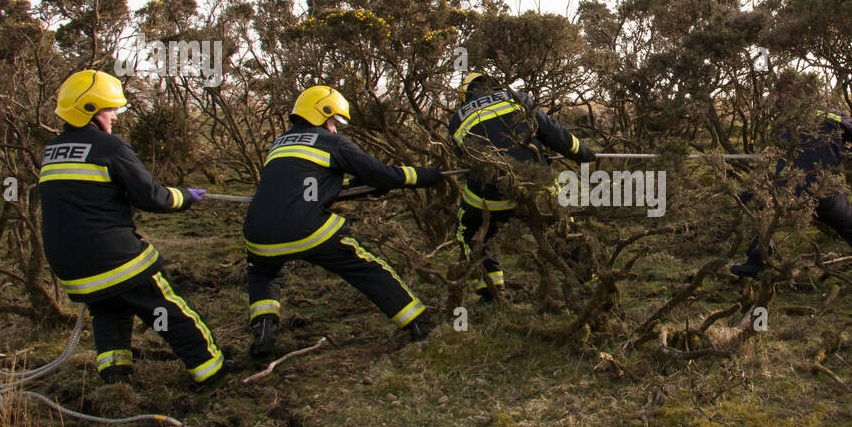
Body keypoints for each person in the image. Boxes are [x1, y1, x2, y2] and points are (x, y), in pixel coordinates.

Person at [39, 69, 230, 385]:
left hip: (71, 270)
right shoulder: (110, 148)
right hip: (114, 258)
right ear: (90, 110)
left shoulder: (51, 153)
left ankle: (116, 380)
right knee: (166, 307)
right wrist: (185, 196)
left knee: (109, 310)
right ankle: (210, 370)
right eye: (110, 109)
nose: (114, 116)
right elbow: (151, 197)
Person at [243, 85, 445, 356]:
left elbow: (306, 185)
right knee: (364, 267)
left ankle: (264, 331)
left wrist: (354, 183)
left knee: (262, 273)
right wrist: (424, 176)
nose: (336, 129)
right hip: (306, 229)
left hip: (257, 234)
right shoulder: (331, 142)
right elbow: (383, 174)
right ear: (321, 114)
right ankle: (418, 322)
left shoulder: (278, 144)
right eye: (335, 121)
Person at [449, 72, 595, 302]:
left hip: (489, 196)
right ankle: (593, 281)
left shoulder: (457, 117)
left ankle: (492, 293)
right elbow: (554, 133)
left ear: (465, 95)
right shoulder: (516, 97)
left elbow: (464, 161)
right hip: (535, 187)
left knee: (471, 226)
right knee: (560, 224)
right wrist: (583, 154)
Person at [731, 105, 852, 280]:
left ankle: (758, 260)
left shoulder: (786, 121)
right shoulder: (832, 115)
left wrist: (842, 149)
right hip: (823, 191)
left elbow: (795, 154)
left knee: (764, 208)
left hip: (788, 190)